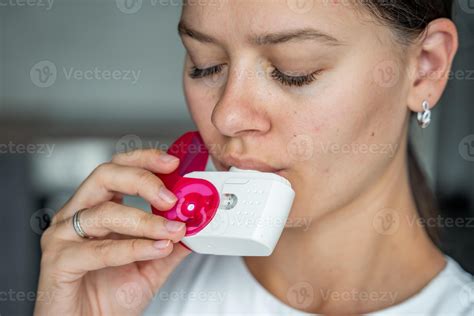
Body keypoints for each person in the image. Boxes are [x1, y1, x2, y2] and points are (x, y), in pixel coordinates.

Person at [35, 1, 474, 315]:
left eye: (293, 71)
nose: (225, 116)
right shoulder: (136, 289)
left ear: (425, 67)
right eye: (204, 64)